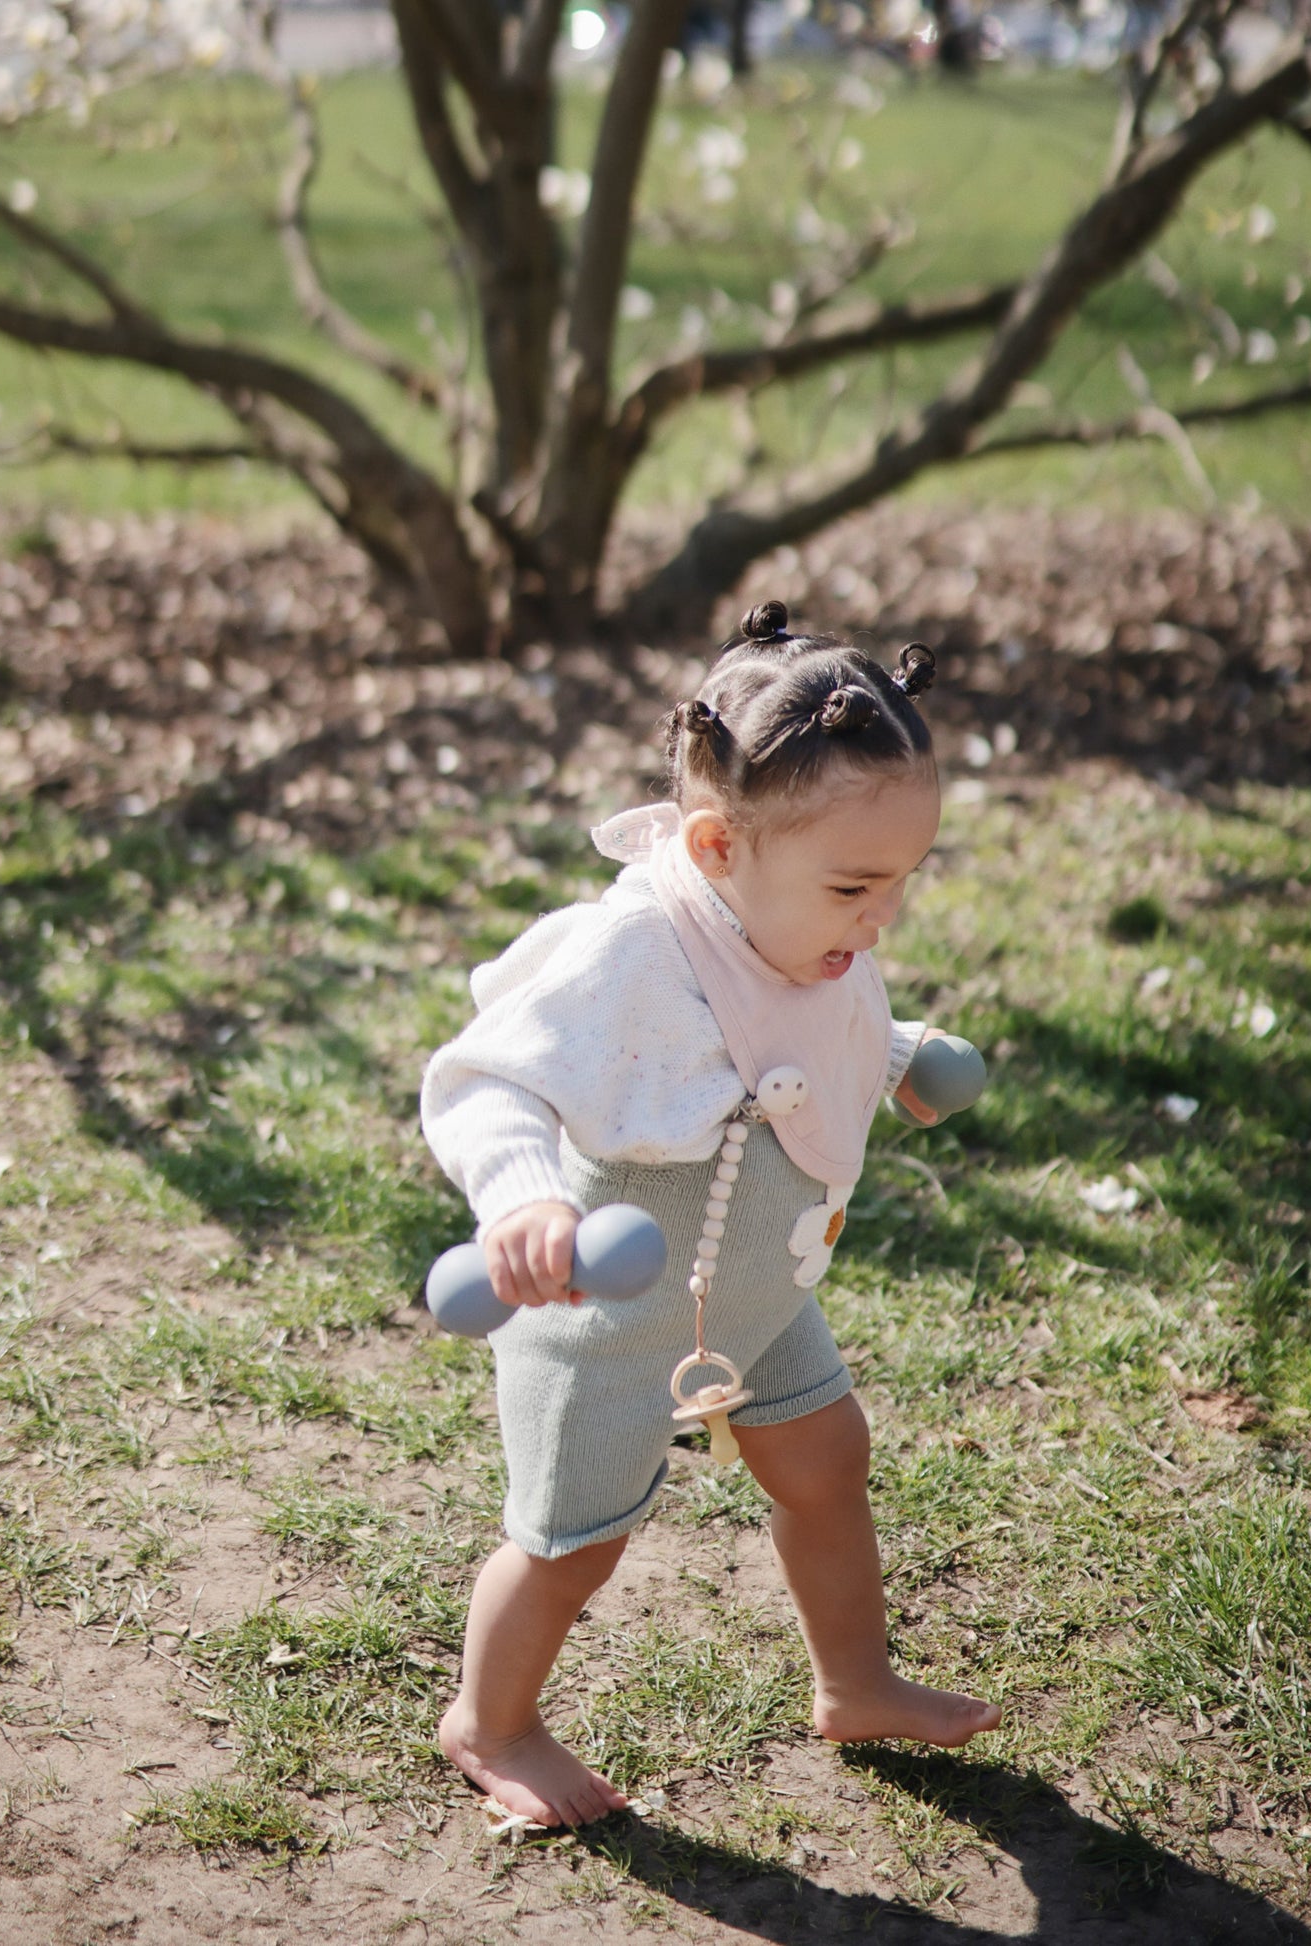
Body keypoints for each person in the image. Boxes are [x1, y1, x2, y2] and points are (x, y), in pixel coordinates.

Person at [420, 599, 1001, 1829]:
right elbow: (486, 1077)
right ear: (715, 846)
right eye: (854, 885)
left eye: (902, 880)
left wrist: (894, 1052)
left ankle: (853, 1681)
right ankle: (490, 1720)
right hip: (609, 1322)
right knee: (572, 1544)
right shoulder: (632, 953)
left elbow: (803, 1030)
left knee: (827, 1461)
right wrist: (521, 1198)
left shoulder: (809, 930)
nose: (880, 917)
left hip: (758, 1290)